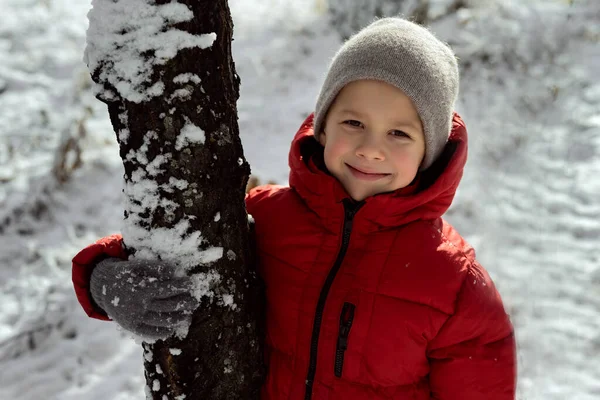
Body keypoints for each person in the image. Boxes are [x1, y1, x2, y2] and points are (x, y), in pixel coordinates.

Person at [72, 17, 517, 400]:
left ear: (429, 152)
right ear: (322, 129)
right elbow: (174, 239)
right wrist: (103, 279)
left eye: (399, 134)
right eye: (353, 123)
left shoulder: (455, 286)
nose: (370, 149)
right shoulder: (268, 217)